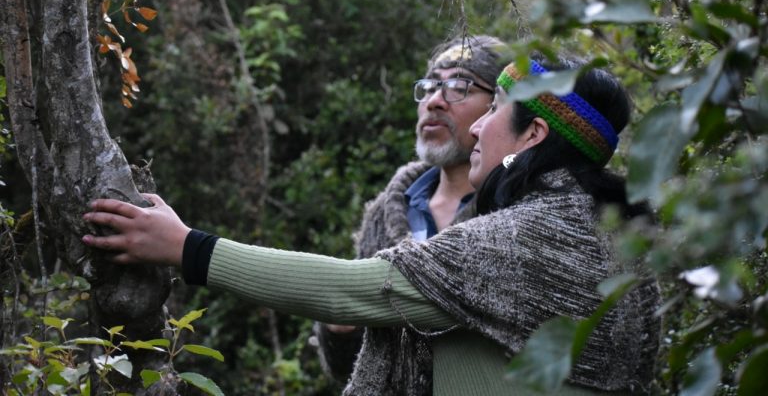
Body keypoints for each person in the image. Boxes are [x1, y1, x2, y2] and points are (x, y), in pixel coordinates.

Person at [82, 56, 661, 395]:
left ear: (533, 135)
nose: (477, 130)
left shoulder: (529, 236)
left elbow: (357, 289)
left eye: (489, 111)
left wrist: (185, 248)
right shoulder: (609, 230)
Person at [314, 35, 508, 383]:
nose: (435, 101)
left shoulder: (518, 210)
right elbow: (348, 369)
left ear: (499, 107)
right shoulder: (387, 212)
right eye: (430, 86)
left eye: (458, 87)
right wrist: (339, 328)